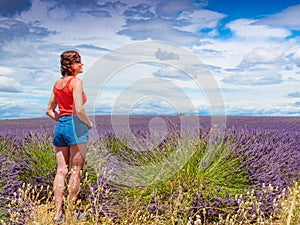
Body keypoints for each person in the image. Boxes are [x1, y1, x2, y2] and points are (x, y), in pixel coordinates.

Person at [46, 50, 93, 224]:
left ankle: (57, 215)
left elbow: (49, 110)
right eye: (79, 62)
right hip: (76, 126)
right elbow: (79, 110)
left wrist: (62, 119)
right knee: (75, 171)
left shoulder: (57, 83)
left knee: (61, 171)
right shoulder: (76, 82)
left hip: (60, 128)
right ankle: (72, 212)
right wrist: (88, 124)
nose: (82, 65)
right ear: (70, 65)